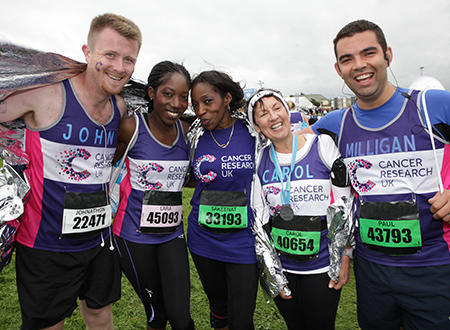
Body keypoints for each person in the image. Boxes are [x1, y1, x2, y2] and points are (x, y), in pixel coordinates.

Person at [302, 19, 450, 329]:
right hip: (372, 273)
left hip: (435, 268)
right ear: (338, 69)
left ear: (388, 55)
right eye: (347, 59)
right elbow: (284, 149)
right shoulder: (335, 123)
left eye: (368, 53)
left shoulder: (432, 105)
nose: (359, 65)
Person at [0, 13, 141, 329]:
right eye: (110, 55)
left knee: (100, 317)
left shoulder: (119, 107)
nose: (120, 66)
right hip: (46, 244)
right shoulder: (46, 95)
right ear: (87, 53)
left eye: (129, 59)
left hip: (98, 240)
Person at [248, 89, 352, 329]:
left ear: (287, 111)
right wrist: (273, 275)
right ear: (256, 125)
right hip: (285, 270)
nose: (273, 117)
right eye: (263, 114)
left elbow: (345, 205)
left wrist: (345, 257)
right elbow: (259, 221)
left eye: (277, 108)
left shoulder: (322, 145)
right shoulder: (260, 160)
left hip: (323, 267)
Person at [112, 61, 194, 330]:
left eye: (184, 97)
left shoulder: (185, 131)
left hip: (172, 234)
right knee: (157, 315)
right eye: (168, 94)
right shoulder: (130, 128)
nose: (177, 103)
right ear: (151, 93)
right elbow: (103, 168)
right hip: (133, 236)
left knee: (182, 319)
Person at [186, 70, 259, 329]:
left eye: (208, 102)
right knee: (219, 311)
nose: (201, 111)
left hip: (244, 240)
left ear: (227, 98)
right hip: (203, 238)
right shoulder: (193, 135)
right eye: (195, 105)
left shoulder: (253, 131)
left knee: (241, 319)